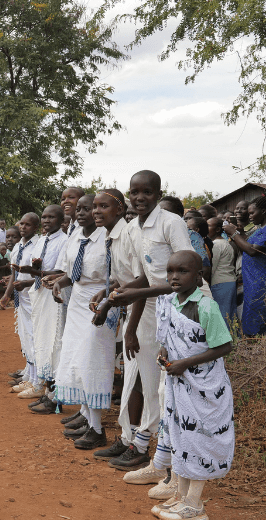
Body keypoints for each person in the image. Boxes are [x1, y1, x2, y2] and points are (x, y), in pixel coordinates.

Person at [99, 170, 199, 479]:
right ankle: (137, 441)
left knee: (163, 384)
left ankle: (154, 453)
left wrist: (133, 294)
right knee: (140, 376)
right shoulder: (133, 229)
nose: (140, 198)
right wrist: (127, 318)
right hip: (150, 305)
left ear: (158, 194)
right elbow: (144, 277)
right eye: (135, 192)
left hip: (181, 307)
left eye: (147, 192)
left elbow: (187, 275)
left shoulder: (171, 223)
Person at [153, 251, 234, 520]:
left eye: (183, 271)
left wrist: (185, 362)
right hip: (180, 384)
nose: (174, 277)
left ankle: (195, 504)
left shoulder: (206, 306)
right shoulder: (171, 303)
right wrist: (165, 353)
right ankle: (182, 495)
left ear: (198, 276)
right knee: (181, 437)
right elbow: (169, 337)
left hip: (204, 388)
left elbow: (224, 346)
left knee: (199, 438)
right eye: (171, 271)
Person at [44, 191, 127, 448]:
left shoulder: (109, 236)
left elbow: (115, 275)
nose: (80, 213)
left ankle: (97, 428)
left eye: (86, 208)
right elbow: (73, 272)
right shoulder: (76, 236)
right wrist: (61, 282)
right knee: (77, 360)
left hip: (101, 302)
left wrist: (107, 303)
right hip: (79, 301)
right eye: (78, 208)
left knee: (94, 361)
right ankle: (88, 418)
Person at [17, 205, 67, 403]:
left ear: (61, 220)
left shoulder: (64, 241)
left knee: (54, 342)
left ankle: (54, 394)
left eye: (51, 217)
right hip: (38, 295)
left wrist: (36, 272)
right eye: (44, 217)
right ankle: (42, 387)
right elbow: (40, 267)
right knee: (40, 340)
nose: (47, 221)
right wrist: (36, 268)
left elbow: (61, 271)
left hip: (53, 296)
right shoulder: (42, 241)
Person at [225, 194, 266, 336]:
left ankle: (261, 348)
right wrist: (240, 232)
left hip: (262, 280)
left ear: (263, 211)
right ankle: (253, 347)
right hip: (253, 280)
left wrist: (233, 234)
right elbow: (248, 242)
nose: (249, 216)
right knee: (251, 312)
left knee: (261, 314)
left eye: (252, 213)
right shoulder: (260, 229)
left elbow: (252, 250)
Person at [9, 213, 41, 391]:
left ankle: (36, 380)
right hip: (22, 298)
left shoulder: (37, 246)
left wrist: (25, 283)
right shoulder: (19, 246)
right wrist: (8, 291)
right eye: (21, 223)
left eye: (27, 225)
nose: (22, 227)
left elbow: (41, 273)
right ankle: (29, 373)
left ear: (35, 228)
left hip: (33, 296)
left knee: (34, 336)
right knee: (25, 334)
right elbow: (15, 272)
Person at [207, 217, 237, 327]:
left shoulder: (216, 245)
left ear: (218, 229)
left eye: (209, 226)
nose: (206, 228)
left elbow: (212, 268)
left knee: (223, 316)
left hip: (220, 283)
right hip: (229, 281)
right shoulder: (225, 243)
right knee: (231, 315)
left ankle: (226, 342)